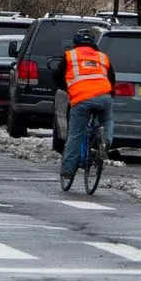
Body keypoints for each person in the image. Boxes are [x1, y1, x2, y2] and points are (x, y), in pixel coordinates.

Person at [56, 27, 114, 189]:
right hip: (104, 96)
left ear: (75, 43)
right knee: (107, 120)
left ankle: (68, 171)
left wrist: (69, 89)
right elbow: (111, 79)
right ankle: (105, 142)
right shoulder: (103, 57)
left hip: (82, 99)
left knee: (75, 134)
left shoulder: (70, 56)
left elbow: (58, 77)